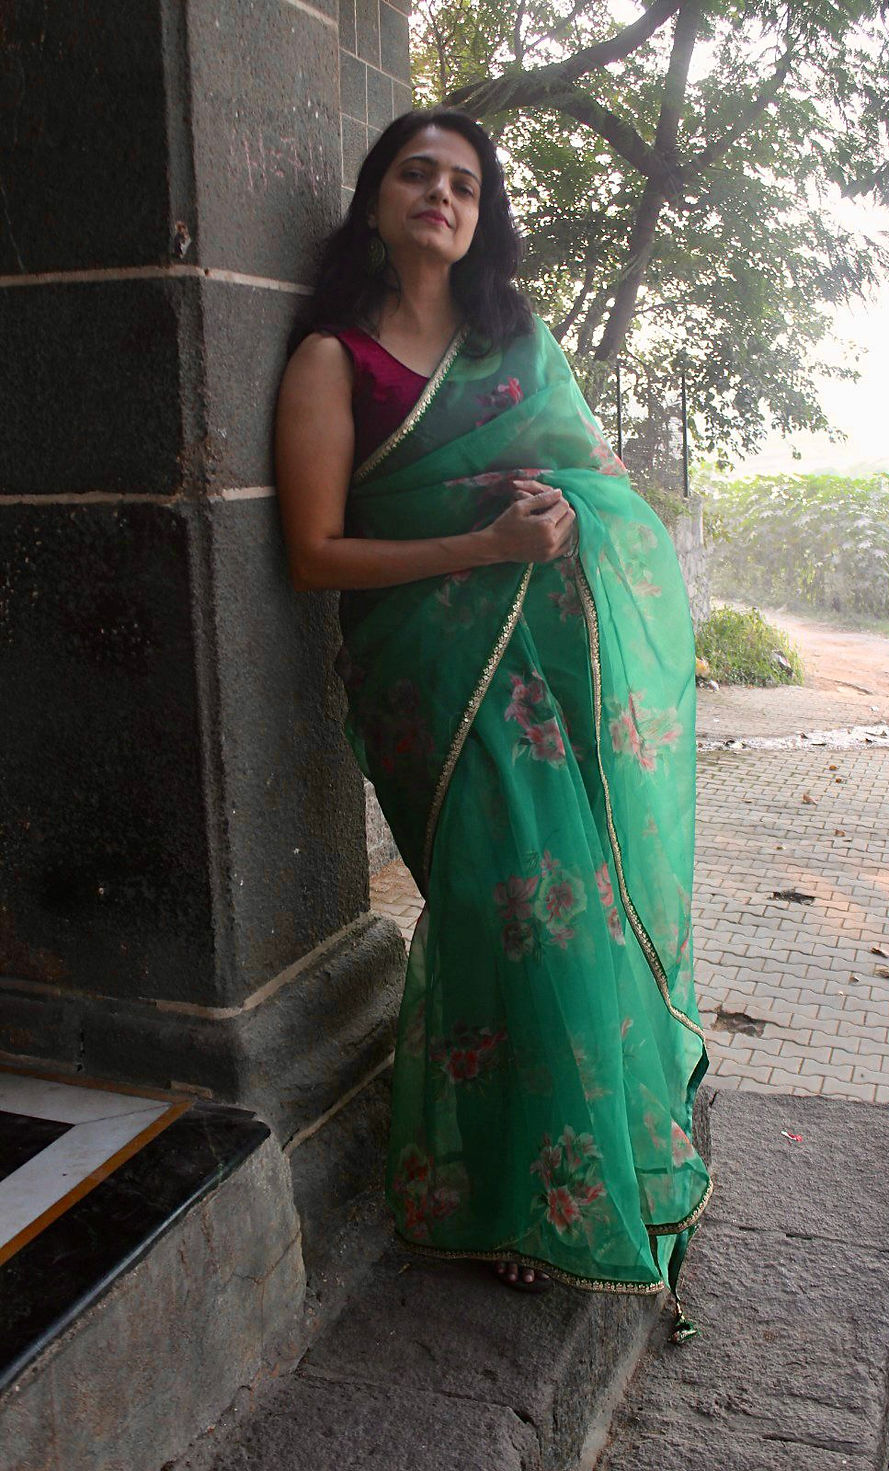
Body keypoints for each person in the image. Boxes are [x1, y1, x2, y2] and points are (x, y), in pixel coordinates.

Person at [275, 109, 710, 1319]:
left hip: (540, 670)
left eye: (464, 183)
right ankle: (518, 1187)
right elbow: (313, 554)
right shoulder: (332, 362)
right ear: (375, 202)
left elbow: (597, 483)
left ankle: (566, 1175)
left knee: (566, 911)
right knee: (504, 910)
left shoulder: (516, 345)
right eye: (416, 173)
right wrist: (483, 544)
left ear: (482, 217)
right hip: (425, 675)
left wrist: (564, 518)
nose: (441, 193)